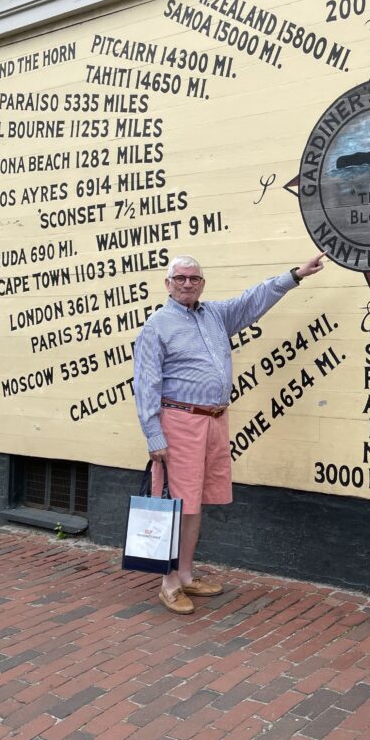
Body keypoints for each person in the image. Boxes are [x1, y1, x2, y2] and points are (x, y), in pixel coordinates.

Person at [133, 253, 325, 613]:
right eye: (180, 278)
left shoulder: (215, 316)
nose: (187, 283)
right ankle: (169, 583)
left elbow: (253, 300)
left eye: (194, 278)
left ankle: (187, 574)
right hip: (179, 423)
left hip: (214, 421)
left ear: (202, 283)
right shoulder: (156, 326)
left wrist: (295, 275)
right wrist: (153, 435)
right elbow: (145, 384)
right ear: (167, 284)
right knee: (175, 505)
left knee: (196, 503)